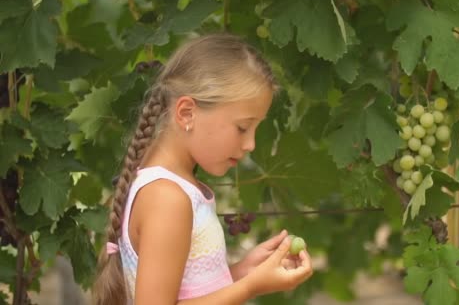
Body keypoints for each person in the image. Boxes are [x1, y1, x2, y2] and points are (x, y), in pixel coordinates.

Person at [92, 33, 313, 305]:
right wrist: (249, 288)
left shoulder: (174, 189)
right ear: (186, 113)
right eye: (243, 127)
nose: (251, 144)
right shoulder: (167, 199)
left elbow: (188, 293)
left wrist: (242, 274)